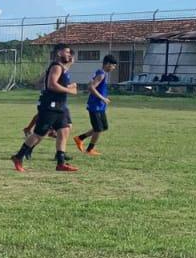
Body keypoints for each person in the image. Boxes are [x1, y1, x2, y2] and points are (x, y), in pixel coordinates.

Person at [12, 43, 79, 173]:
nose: (69, 54)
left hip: (60, 106)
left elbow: (60, 82)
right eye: (67, 52)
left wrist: (69, 86)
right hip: (50, 106)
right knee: (38, 134)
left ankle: (61, 163)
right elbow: (51, 85)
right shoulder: (56, 67)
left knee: (64, 131)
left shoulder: (62, 68)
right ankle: (18, 157)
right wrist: (69, 90)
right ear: (59, 53)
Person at [74, 54, 118, 156]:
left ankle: (80, 138)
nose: (114, 68)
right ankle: (89, 149)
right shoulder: (101, 74)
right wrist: (103, 98)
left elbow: (91, 85)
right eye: (113, 65)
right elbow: (91, 87)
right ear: (107, 64)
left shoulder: (101, 73)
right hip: (95, 105)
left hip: (100, 105)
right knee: (98, 128)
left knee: (103, 127)